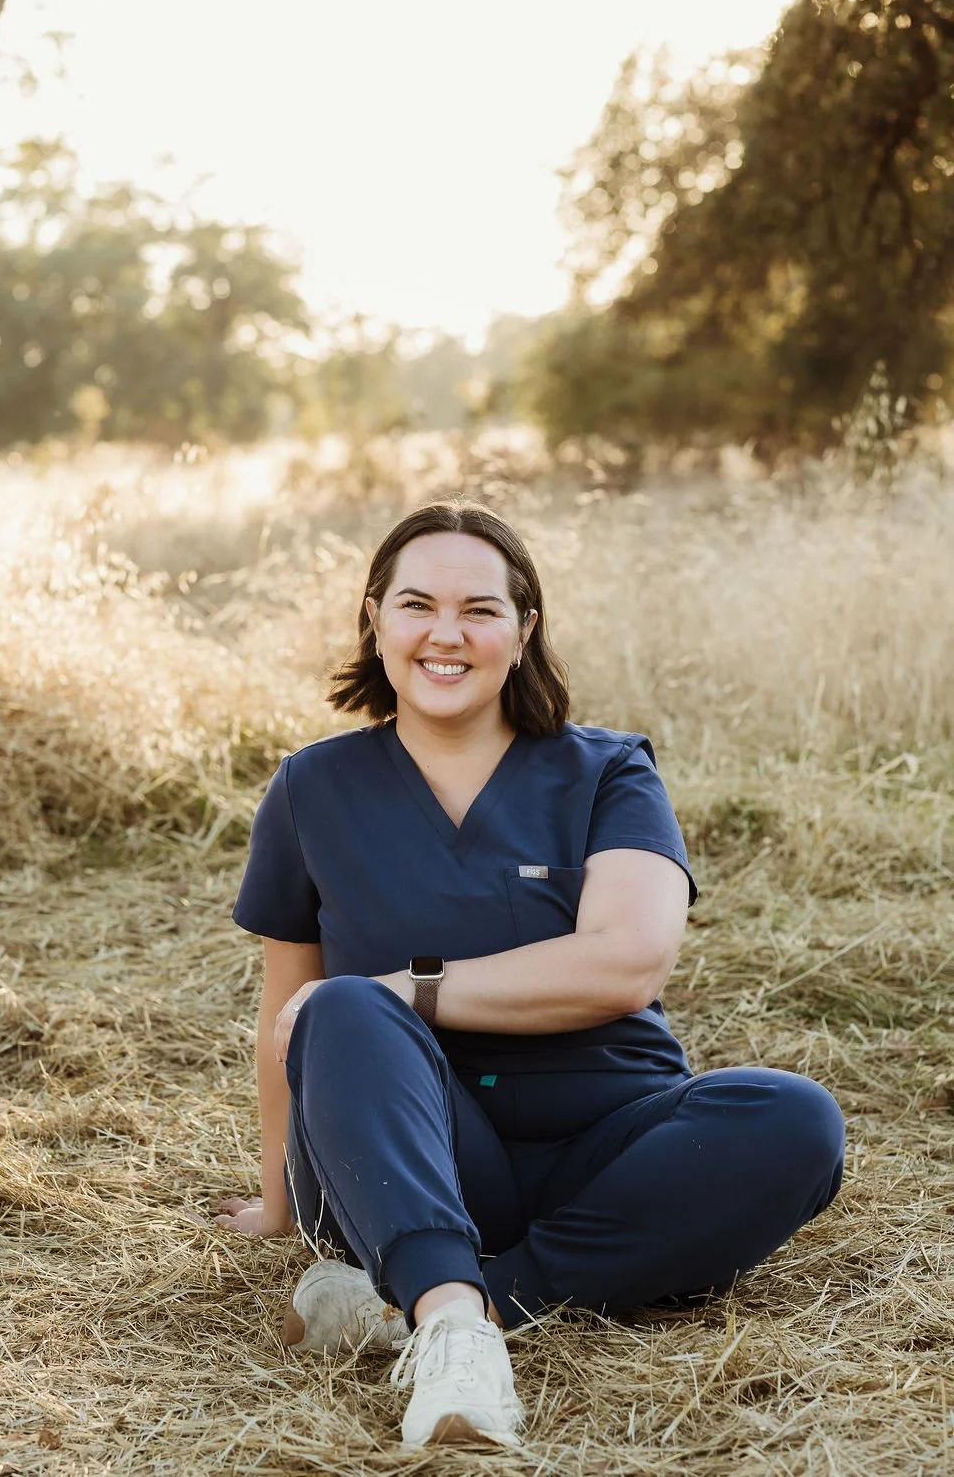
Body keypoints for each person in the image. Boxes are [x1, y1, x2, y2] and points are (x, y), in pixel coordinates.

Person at [215, 499, 845, 1450]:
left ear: (523, 630)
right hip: (410, 1153)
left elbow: (625, 965)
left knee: (796, 1118)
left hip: (611, 1148)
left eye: (481, 609)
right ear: (376, 619)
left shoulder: (607, 771)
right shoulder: (314, 787)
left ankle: (451, 1307)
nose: (446, 634)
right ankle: (456, 1324)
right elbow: (286, 1010)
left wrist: (408, 986)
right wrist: (278, 1199)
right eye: (417, 604)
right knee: (340, 1008)